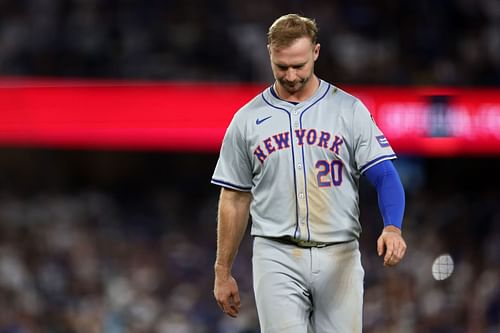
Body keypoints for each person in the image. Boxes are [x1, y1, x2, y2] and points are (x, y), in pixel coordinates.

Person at [211, 13, 407, 333]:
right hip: (275, 254)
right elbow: (233, 198)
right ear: (270, 54)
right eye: (282, 66)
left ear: (316, 52)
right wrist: (222, 271)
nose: (290, 75)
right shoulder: (246, 120)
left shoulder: (348, 109)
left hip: (339, 252)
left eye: (299, 65)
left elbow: (384, 174)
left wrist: (393, 228)